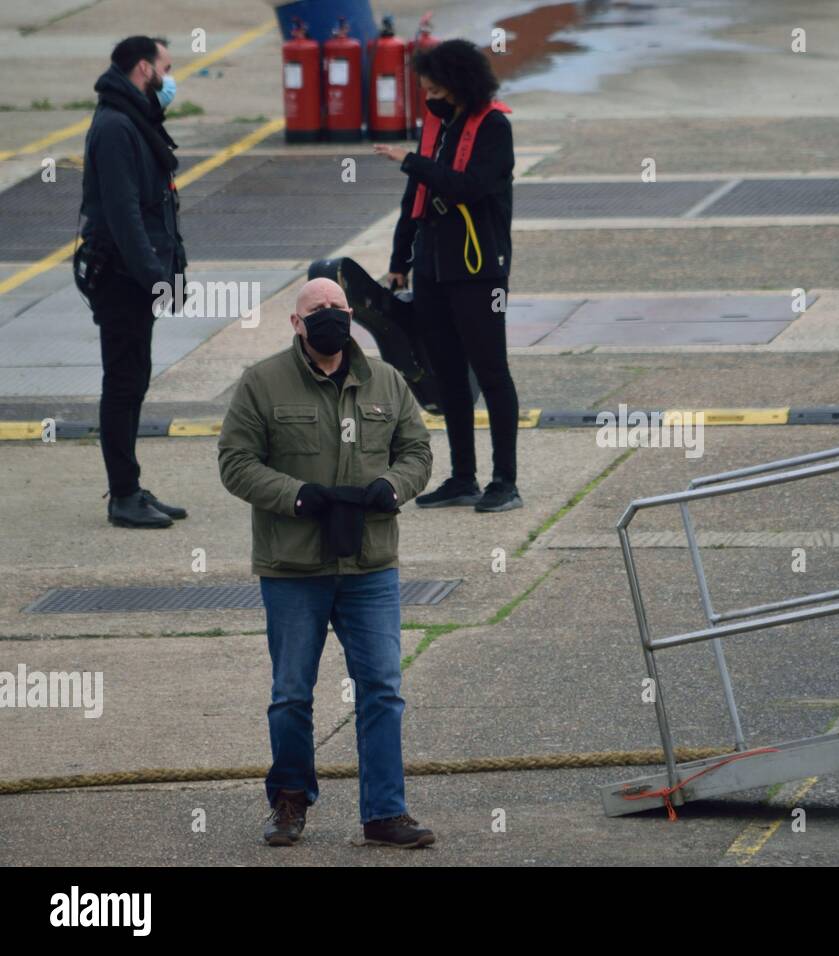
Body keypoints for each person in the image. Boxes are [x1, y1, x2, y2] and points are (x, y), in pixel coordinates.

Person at [217, 277, 437, 848]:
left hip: (370, 566)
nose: (329, 316)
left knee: (383, 688)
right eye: (317, 309)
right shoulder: (262, 384)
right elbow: (236, 463)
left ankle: (386, 812)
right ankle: (289, 800)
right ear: (296, 322)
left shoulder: (385, 380)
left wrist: (394, 485)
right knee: (291, 691)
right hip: (293, 568)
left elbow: (417, 451)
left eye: (338, 307)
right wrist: (296, 495)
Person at [374, 38, 521, 513]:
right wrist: (400, 261)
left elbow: (467, 187)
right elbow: (414, 200)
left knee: (492, 372)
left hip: (478, 270)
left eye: (436, 87)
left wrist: (410, 161)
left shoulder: (494, 127)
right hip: (433, 265)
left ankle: (505, 481)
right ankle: (463, 476)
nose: (429, 96)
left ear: (459, 84)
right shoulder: (437, 126)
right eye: (425, 88)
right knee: (449, 376)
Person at [79, 35, 188, 528]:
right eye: (166, 67)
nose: (171, 77)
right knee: (123, 383)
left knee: (133, 379)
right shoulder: (117, 127)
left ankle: (131, 486)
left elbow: (157, 206)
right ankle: (123, 495)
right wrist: (152, 277)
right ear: (145, 69)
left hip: (138, 276)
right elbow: (124, 215)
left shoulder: (133, 119)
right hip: (123, 279)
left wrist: (171, 270)